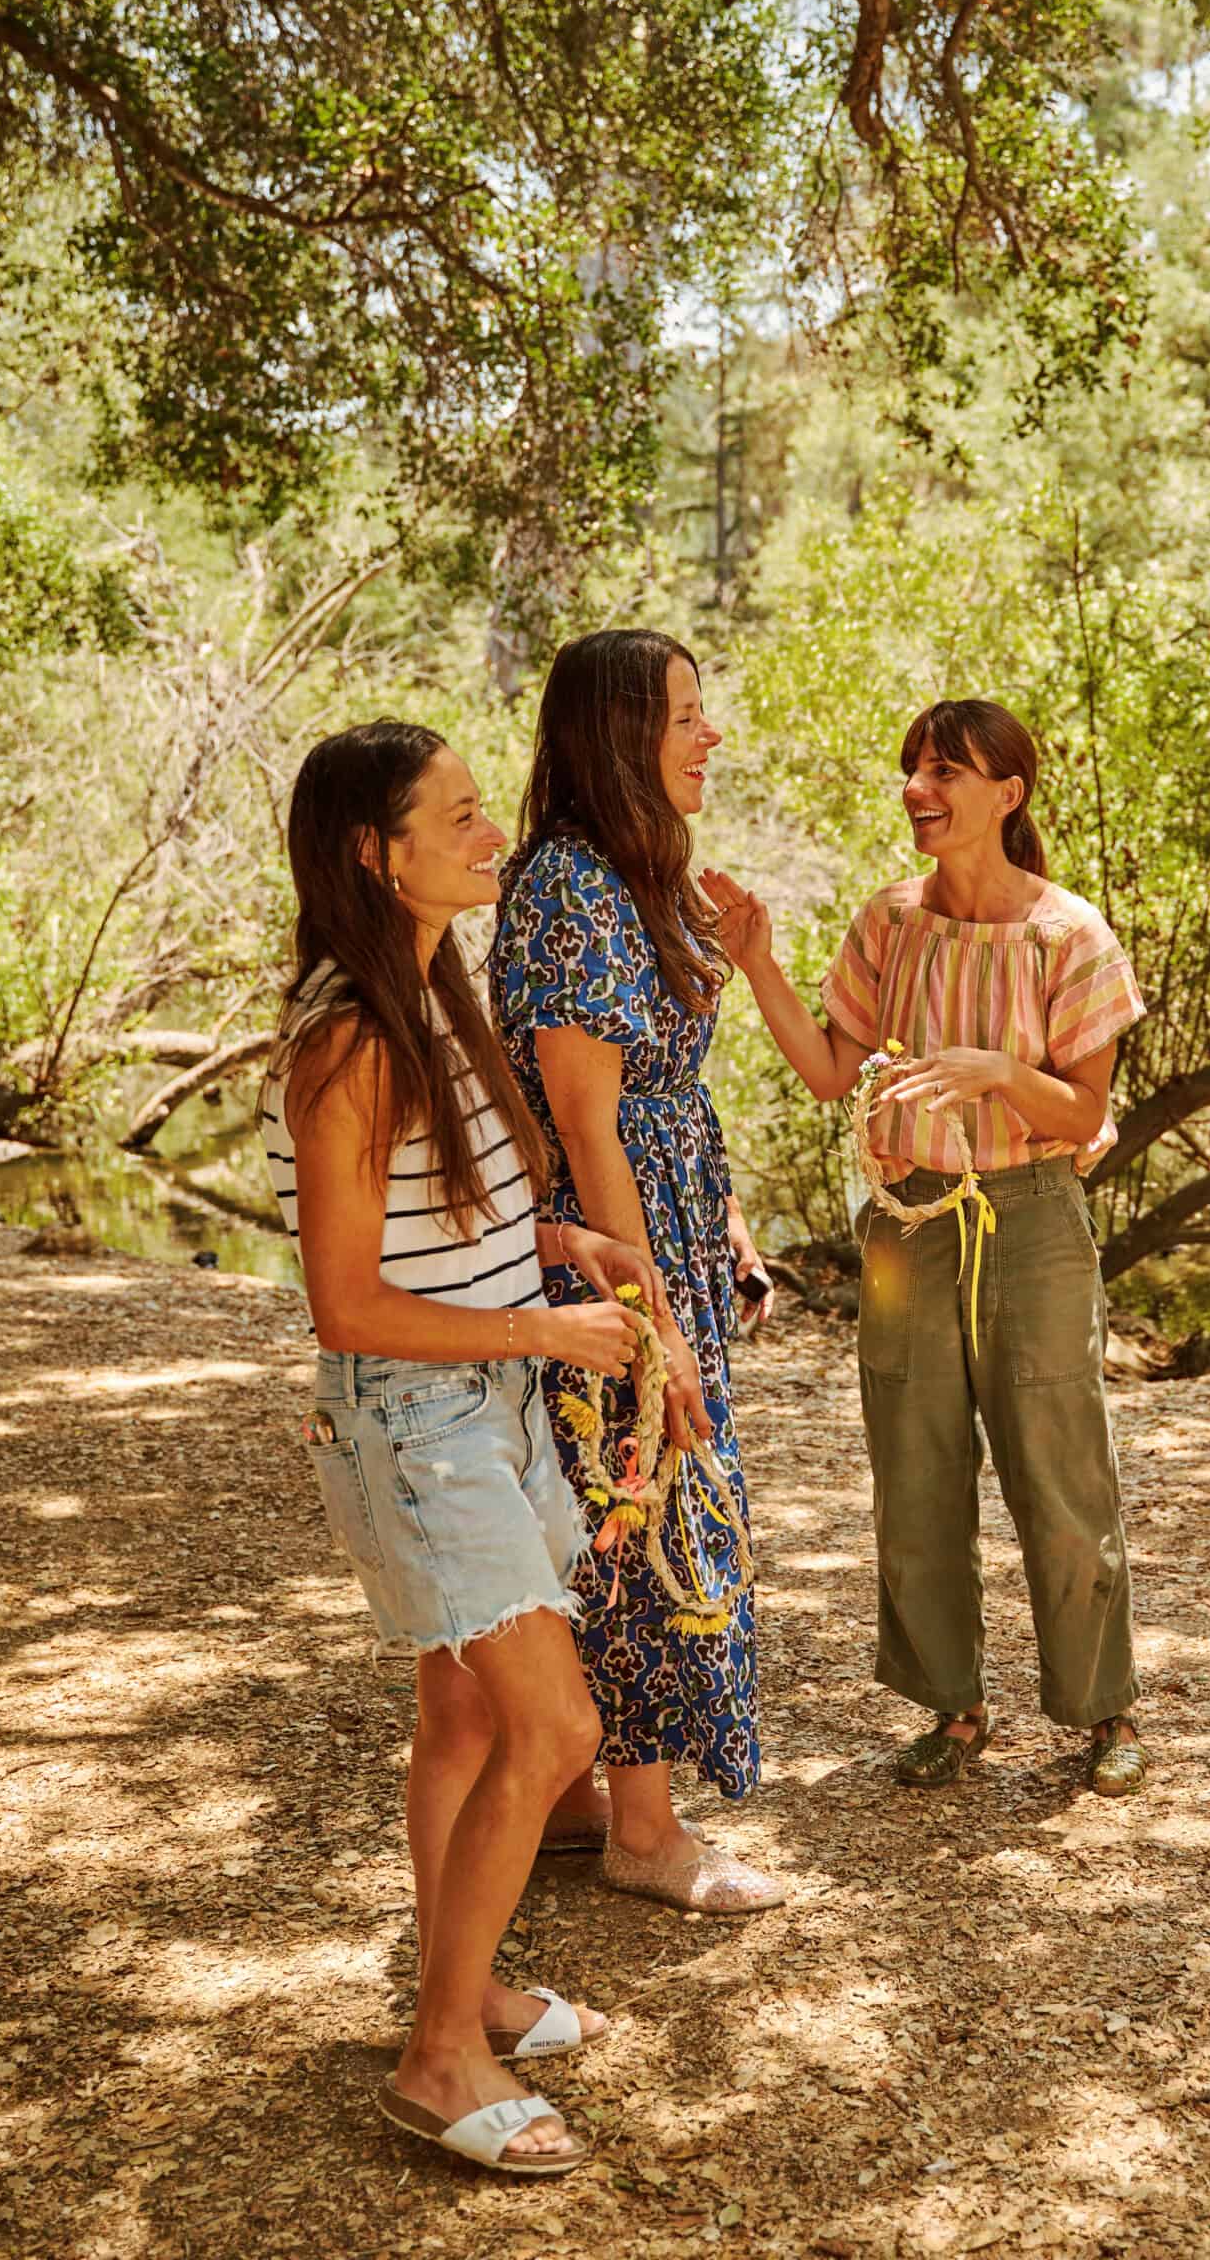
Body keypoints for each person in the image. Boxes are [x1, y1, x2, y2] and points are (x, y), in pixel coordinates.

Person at [261, 719, 656, 2177]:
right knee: (556, 1730)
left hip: (484, 1402)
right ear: (378, 854)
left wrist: (558, 1243)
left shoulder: (430, 994)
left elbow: (433, 1228)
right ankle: (438, 2058)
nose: (495, 836)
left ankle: (465, 1987)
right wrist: (548, 1331)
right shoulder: (350, 1037)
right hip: (419, 1421)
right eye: (465, 816)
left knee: (467, 1721)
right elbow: (347, 1304)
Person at [703, 698, 1151, 1796]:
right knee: (913, 1471)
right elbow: (828, 1072)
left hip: (1032, 1221)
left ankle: (1104, 1712)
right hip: (904, 1228)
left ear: (1008, 793)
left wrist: (999, 1073)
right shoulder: (889, 923)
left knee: (1060, 1469)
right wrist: (756, 963)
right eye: (914, 769)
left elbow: (1085, 1114)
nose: (918, 790)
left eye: (945, 771)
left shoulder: (1068, 934)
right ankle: (952, 1708)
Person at [490, 630, 781, 1914]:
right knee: (638, 1492)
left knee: (613, 1495)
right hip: (605, 1236)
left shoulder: (627, 872)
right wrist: (648, 1311)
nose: (708, 735)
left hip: (662, 1213)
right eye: (682, 715)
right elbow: (586, 1118)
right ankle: (647, 1832)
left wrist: (723, 1220)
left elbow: (661, 1099)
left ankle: (574, 1800)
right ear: (617, 736)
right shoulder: (568, 884)